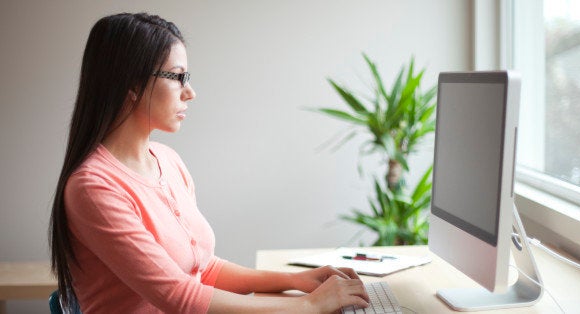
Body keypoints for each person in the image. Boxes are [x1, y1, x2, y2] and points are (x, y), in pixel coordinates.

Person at [49, 12, 369, 313]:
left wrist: (296, 281)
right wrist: (309, 306)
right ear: (131, 84)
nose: (190, 92)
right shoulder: (93, 188)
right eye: (177, 77)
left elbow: (203, 269)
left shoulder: (167, 161)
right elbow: (179, 296)